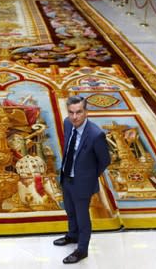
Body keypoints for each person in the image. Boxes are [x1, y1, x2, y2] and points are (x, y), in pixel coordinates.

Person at [53, 95, 111, 264]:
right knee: (70, 211)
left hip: (83, 183)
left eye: (79, 112)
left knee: (82, 217)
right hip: (67, 177)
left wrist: (90, 176)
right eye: (71, 112)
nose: (75, 117)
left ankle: (82, 250)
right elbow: (68, 146)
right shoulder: (67, 123)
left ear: (86, 112)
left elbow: (105, 160)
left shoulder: (96, 135)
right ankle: (72, 235)